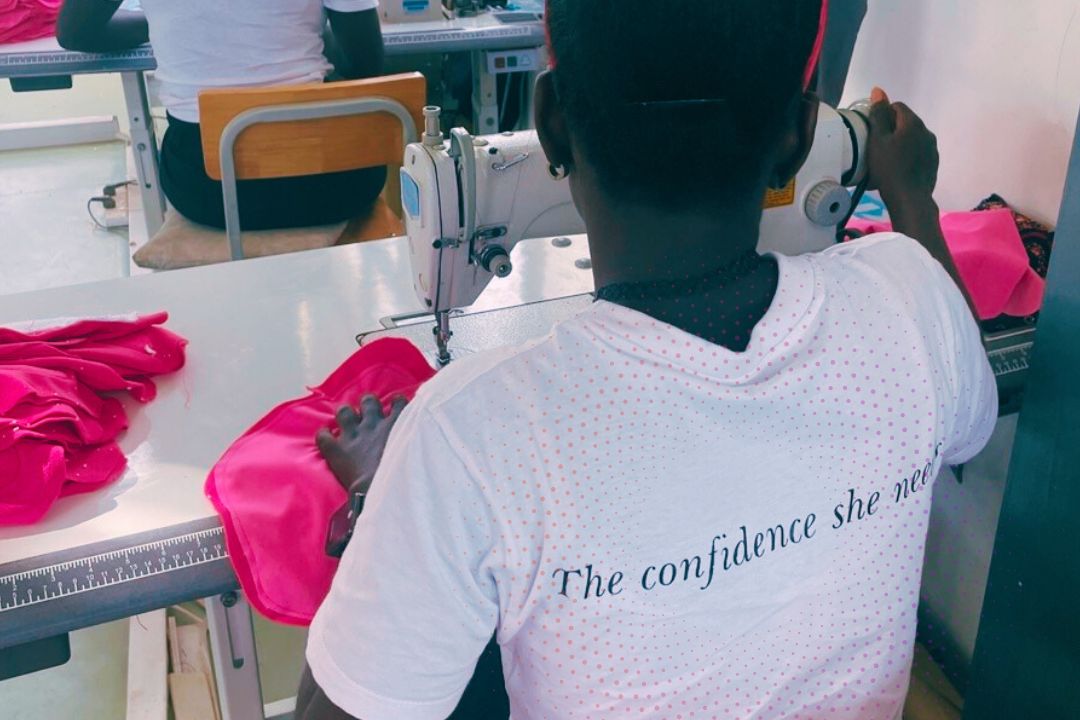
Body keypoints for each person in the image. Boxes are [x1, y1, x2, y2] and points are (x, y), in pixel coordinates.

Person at [296, 0, 997, 718]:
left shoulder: (469, 439)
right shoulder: (909, 299)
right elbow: (971, 408)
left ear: (551, 126)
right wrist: (912, 196)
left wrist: (390, 501)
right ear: (797, 137)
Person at [56, 0, 387, 231]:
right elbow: (366, 63)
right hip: (336, 186)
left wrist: (162, 20)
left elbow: (76, 33)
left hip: (205, 191)